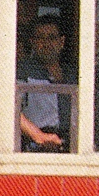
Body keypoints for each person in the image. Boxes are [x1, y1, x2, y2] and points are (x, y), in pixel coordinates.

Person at [18, 15, 76, 152]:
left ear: (62, 42)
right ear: (32, 42)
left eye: (51, 37)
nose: (46, 43)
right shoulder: (23, 71)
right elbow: (9, 109)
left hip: (70, 148)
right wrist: (38, 135)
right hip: (34, 148)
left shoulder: (73, 74)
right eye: (40, 38)